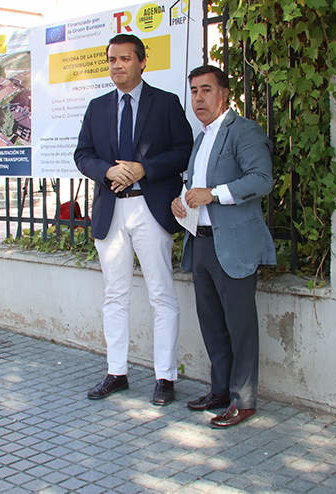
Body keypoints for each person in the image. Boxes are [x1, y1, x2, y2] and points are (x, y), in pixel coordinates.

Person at [74, 34, 193, 405]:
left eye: (125, 59)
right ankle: (116, 372)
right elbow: (83, 155)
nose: (117, 65)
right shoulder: (97, 108)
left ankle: (165, 377)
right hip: (112, 209)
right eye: (112, 59)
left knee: (161, 294)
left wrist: (144, 168)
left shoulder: (166, 103)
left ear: (143, 62)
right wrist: (109, 171)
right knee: (115, 295)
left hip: (150, 207)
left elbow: (183, 151)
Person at [171, 65, 275, 428]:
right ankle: (219, 391)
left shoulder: (242, 131)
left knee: (240, 327)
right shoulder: (200, 138)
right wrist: (181, 201)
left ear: (224, 94)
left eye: (206, 90)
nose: (198, 98)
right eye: (194, 91)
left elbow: (261, 180)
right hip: (201, 242)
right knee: (212, 324)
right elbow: (195, 186)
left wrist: (212, 195)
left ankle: (243, 401)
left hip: (233, 247)